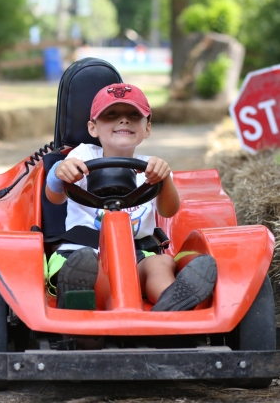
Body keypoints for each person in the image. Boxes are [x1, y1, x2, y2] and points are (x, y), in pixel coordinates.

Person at [45, 82, 216, 311]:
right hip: (80, 253)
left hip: (135, 255)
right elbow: (54, 197)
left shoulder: (153, 167)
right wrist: (59, 173)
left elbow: (169, 211)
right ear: (93, 128)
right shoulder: (83, 155)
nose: (124, 120)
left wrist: (162, 179)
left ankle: (171, 300)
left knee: (161, 262)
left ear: (147, 128)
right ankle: (79, 293)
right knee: (91, 268)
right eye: (111, 114)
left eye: (134, 115)